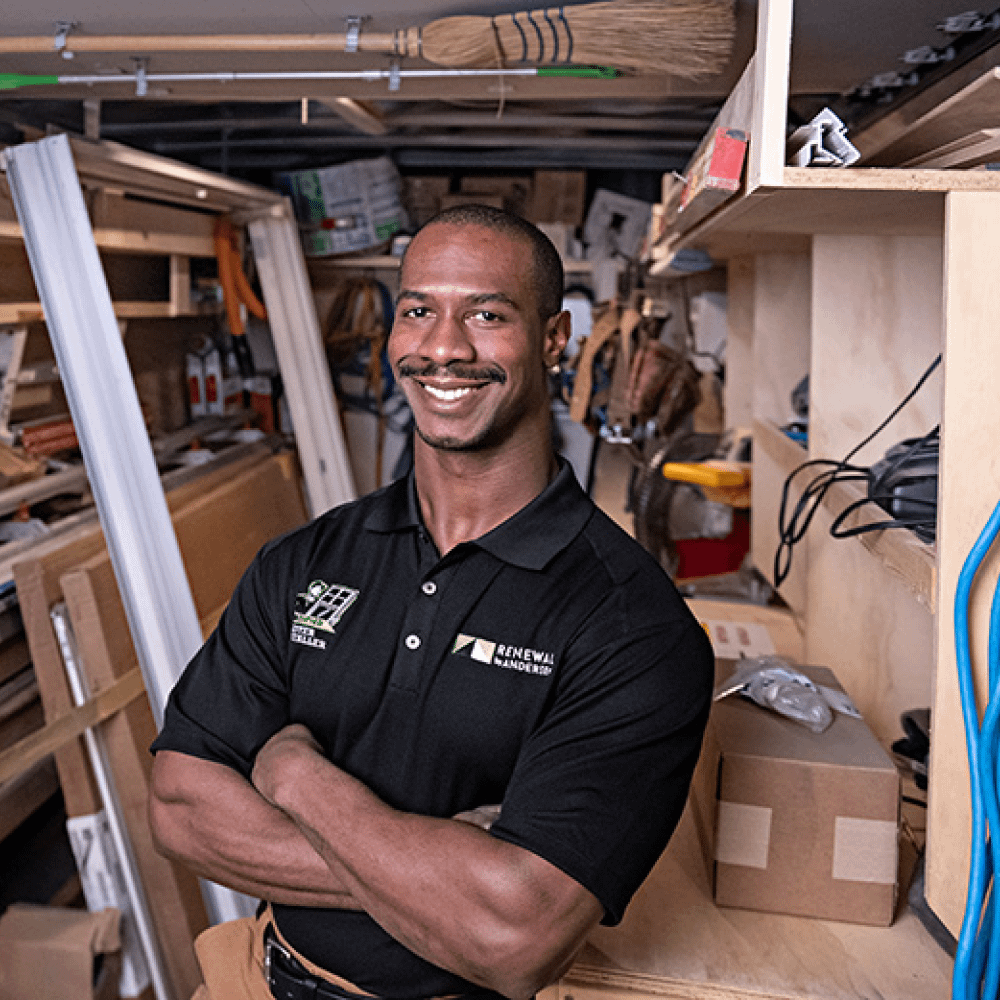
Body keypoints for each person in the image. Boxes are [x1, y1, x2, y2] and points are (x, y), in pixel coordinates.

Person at [148, 204, 714, 1000]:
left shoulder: (632, 627)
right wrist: (441, 872)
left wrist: (297, 777)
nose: (444, 348)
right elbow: (179, 808)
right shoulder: (305, 561)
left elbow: (515, 937)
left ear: (555, 340)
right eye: (419, 310)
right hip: (264, 980)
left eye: (486, 314)